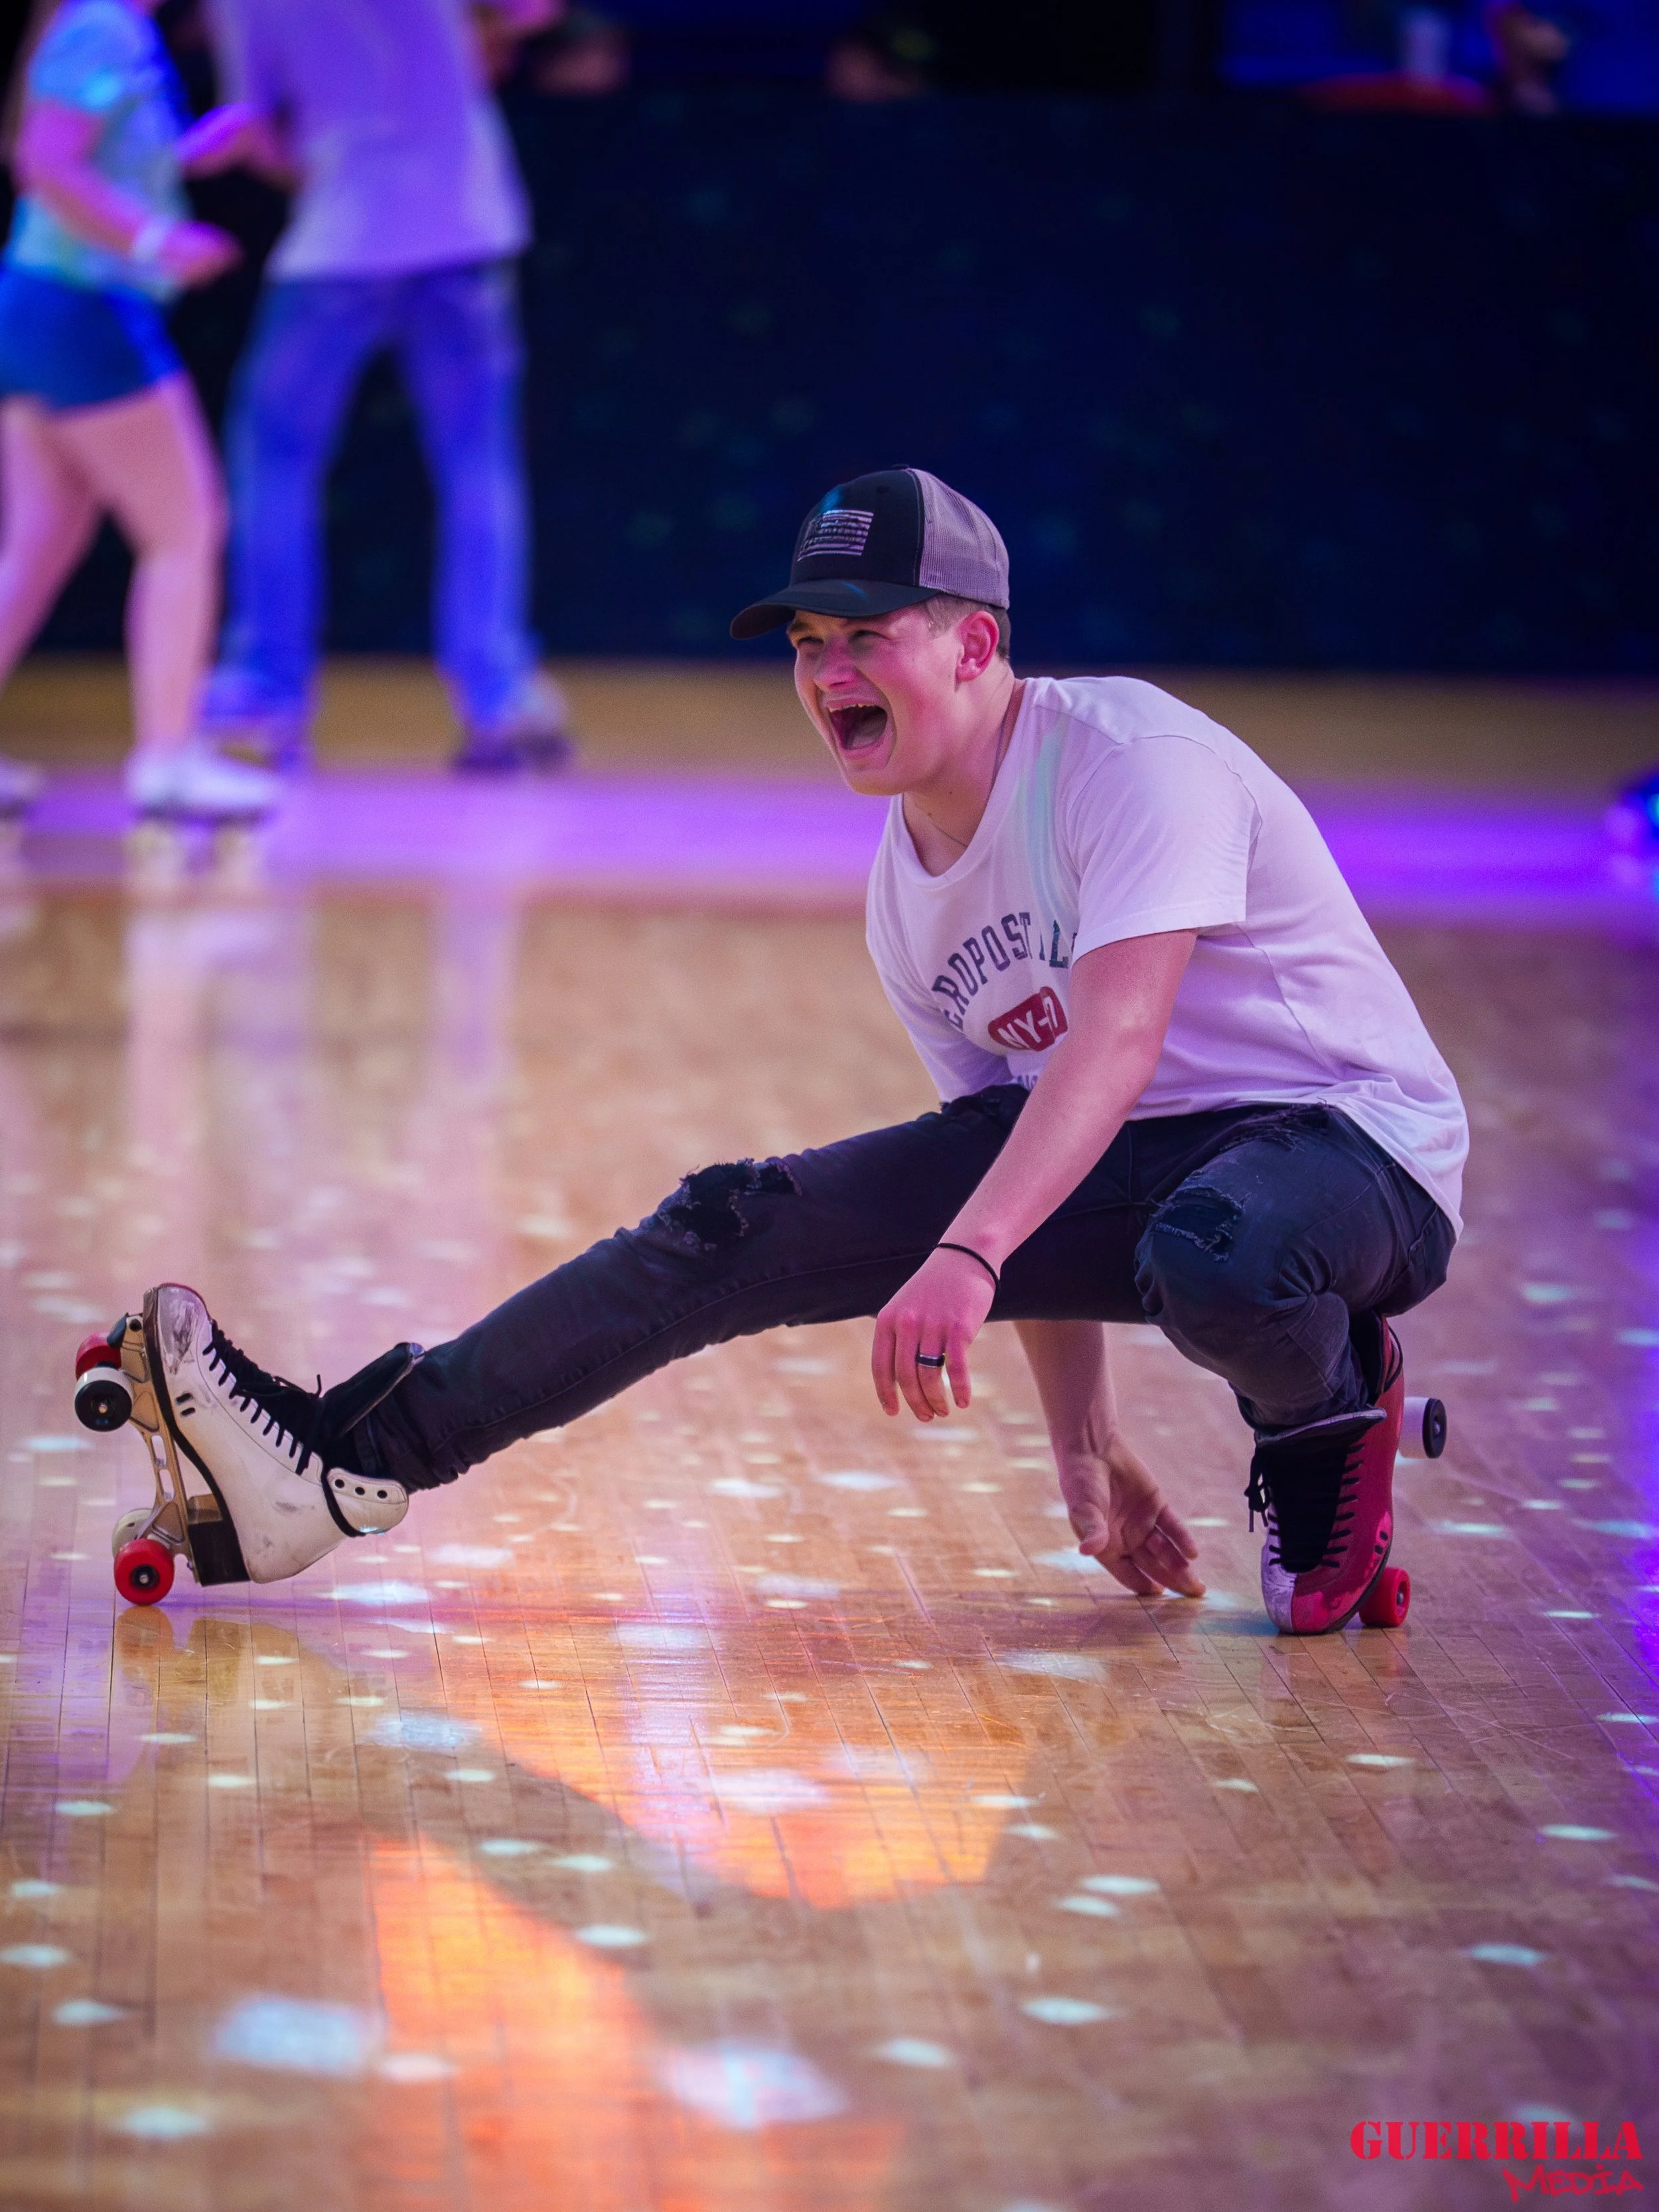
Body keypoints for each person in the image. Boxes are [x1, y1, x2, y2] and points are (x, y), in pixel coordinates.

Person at [111, 468, 1467, 1635]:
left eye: (864, 635)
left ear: (975, 645)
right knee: (727, 1223)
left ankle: (1325, 1418)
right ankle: (331, 1466)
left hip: (1352, 1161)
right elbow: (1018, 1159)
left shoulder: (1127, 762)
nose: (826, 674)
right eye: (807, 642)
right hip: (1153, 1178)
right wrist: (1084, 1442)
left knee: (1214, 1248)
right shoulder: (907, 894)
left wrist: (965, 1252)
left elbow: (1113, 1045)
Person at [197, 0, 574, 776]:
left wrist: (336, 145)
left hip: (343, 233)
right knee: (477, 465)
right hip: (463, 228)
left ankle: (265, 694)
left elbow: (261, 133)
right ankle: (497, 697)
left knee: (275, 460)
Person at [0, 0, 278, 823]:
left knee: (41, 539)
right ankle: (168, 760)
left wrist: (191, 157)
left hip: (39, 305)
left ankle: (170, 754)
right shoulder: (104, 28)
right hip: (81, 309)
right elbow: (46, 163)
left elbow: (98, 164)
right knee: (184, 527)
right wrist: (157, 240)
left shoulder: (102, 30)